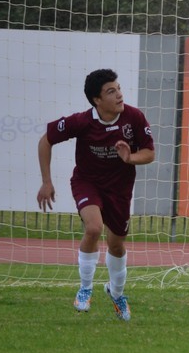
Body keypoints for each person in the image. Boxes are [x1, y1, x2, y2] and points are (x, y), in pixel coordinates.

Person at [37, 69, 155, 321]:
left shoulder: (134, 117)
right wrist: (46, 182)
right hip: (87, 182)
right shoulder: (81, 121)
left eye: (118, 88)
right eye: (111, 91)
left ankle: (116, 293)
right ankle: (85, 288)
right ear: (97, 100)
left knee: (116, 244)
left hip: (120, 188)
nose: (119, 94)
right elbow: (45, 141)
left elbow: (149, 153)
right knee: (93, 229)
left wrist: (130, 158)